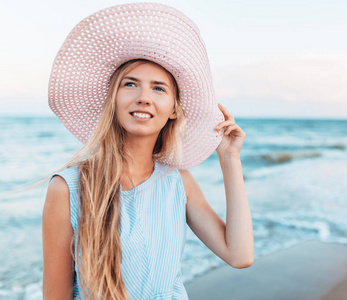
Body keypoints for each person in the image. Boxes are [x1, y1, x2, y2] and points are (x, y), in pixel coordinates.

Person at [41, 3, 254, 300]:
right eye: (130, 84)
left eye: (158, 89)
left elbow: (239, 254)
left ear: (174, 111)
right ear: (113, 100)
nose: (143, 98)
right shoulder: (68, 188)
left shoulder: (179, 182)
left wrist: (229, 159)